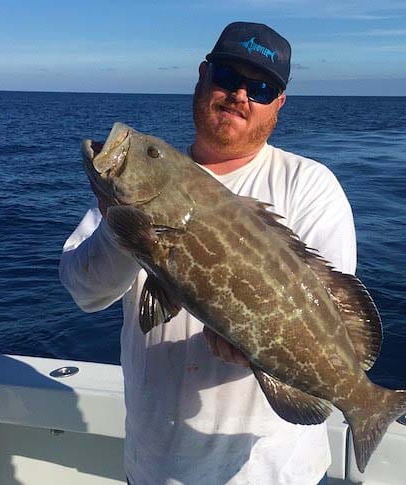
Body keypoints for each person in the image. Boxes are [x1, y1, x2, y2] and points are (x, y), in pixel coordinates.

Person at [60, 22, 356, 485]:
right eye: (227, 76)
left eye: (260, 87)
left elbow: (326, 313)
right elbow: (86, 292)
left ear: (279, 102)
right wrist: (124, 227)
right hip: (155, 466)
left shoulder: (309, 185)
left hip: (275, 473)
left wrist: (259, 347)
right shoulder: (135, 191)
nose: (240, 94)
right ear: (202, 76)